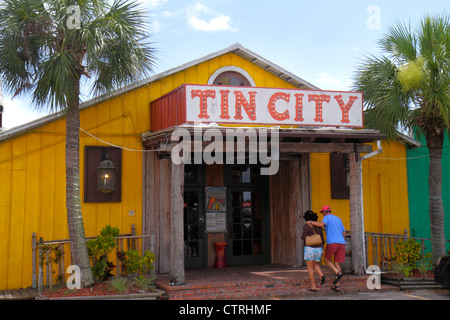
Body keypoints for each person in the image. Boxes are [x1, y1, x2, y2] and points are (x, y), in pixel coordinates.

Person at [307, 205, 346, 291]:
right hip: (342, 243)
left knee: (327, 260)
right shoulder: (338, 219)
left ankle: (338, 273)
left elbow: (321, 224)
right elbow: (344, 232)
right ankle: (337, 285)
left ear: (324, 212)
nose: (323, 214)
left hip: (332, 243)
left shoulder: (327, 217)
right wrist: (341, 240)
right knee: (337, 263)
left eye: (322, 213)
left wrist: (311, 222)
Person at [301, 210, 325, 292]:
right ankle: (321, 275)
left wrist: (305, 236)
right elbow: (322, 239)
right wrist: (323, 249)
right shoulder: (319, 226)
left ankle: (313, 286)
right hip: (319, 248)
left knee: (310, 267)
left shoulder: (306, 226)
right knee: (316, 264)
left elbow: (304, 236)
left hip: (310, 249)